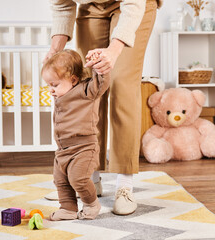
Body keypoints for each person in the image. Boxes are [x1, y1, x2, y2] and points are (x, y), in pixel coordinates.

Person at [45, 0, 162, 215]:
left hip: (132, 5)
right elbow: (62, 5)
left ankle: (124, 185)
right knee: (87, 84)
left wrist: (114, 50)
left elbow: (133, 5)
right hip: (91, 8)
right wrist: (55, 50)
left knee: (121, 85)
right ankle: (89, 178)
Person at [42, 49, 110, 220]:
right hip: (63, 149)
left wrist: (99, 67)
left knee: (78, 179)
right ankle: (68, 208)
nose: (51, 90)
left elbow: (102, 83)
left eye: (54, 85)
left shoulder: (86, 91)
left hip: (84, 147)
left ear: (73, 79)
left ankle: (92, 204)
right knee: (60, 180)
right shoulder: (61, 96)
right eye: (49, 85)